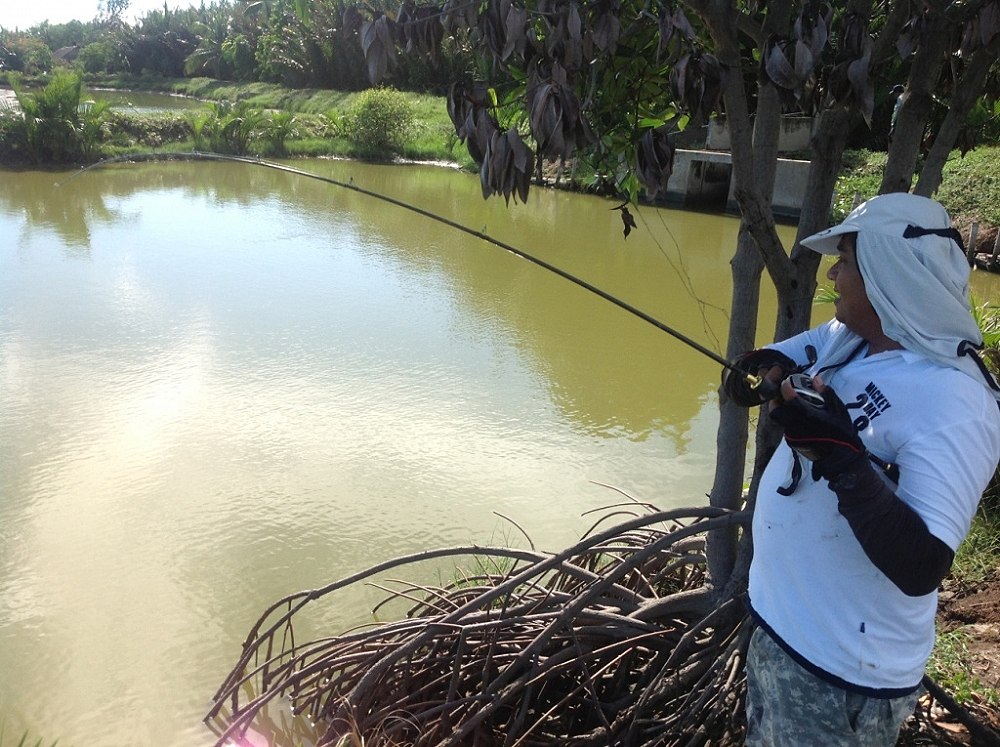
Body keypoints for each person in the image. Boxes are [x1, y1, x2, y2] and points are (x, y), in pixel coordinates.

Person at [722, 192, 1000, 746]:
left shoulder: (956, 402)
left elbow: (921, 565)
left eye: (844, 261)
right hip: (781, 629)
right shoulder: (850, 339)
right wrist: (760, 371)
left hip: (839, 673)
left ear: (884, 271)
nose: (832, 273)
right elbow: (788, 355)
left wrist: (842, 458)